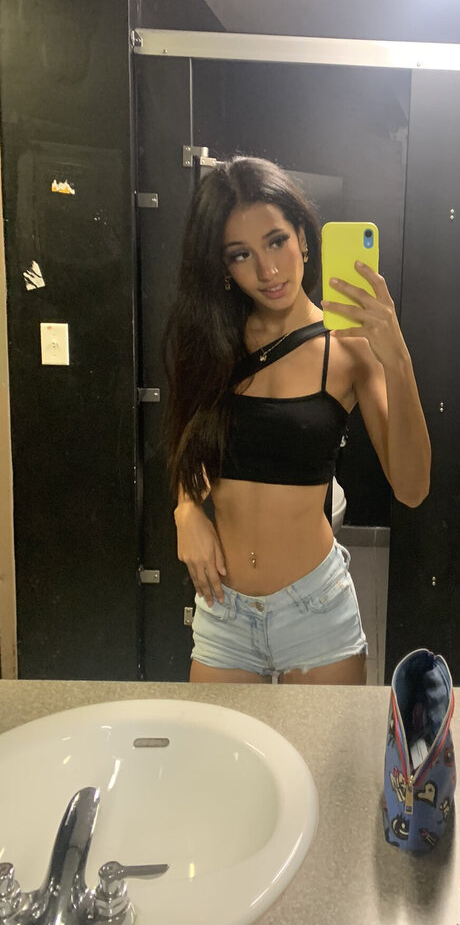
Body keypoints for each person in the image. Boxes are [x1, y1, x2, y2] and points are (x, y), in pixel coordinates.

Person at [163, 157, 431, 685]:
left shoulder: (348, 347)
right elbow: (190, 446)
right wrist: (186, 510)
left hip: (317, 612)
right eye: (241, 254)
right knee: (215, 744)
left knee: (321, 748)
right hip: (224, 612)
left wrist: (397, 358)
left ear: (303, 238)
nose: (267, 271)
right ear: (223, 266)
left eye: (276, 241)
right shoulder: (212, 344)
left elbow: (412, 487)